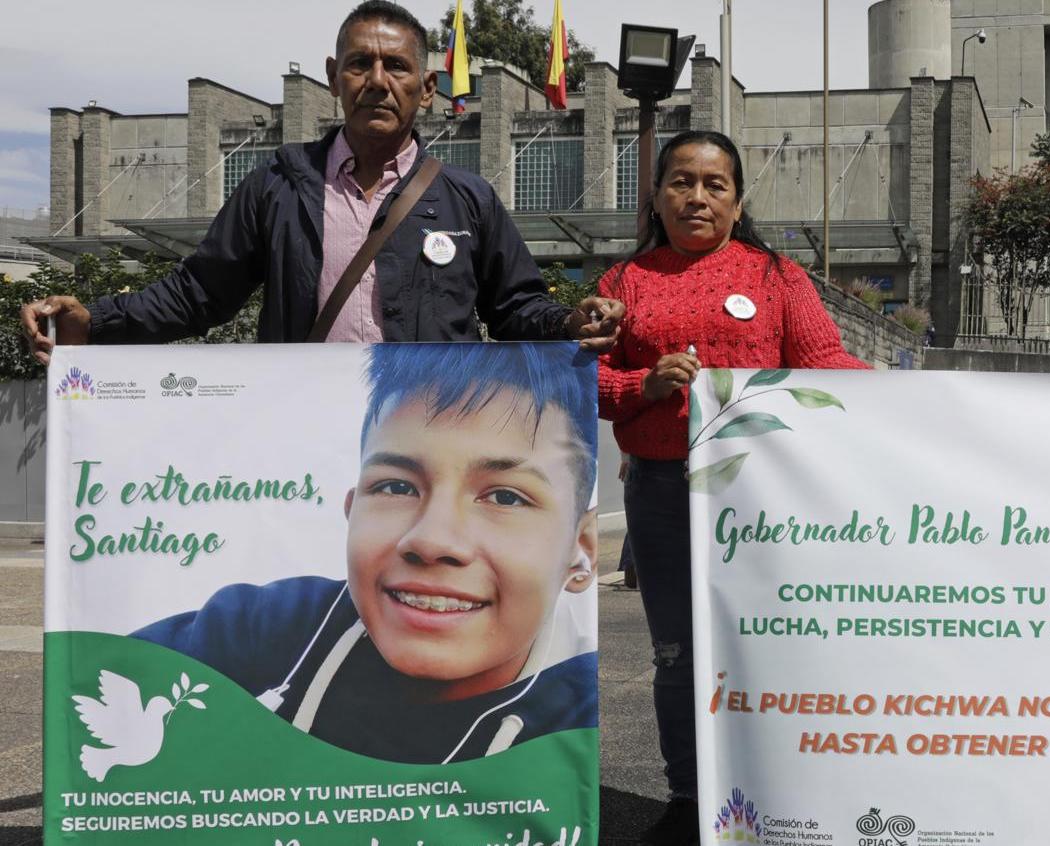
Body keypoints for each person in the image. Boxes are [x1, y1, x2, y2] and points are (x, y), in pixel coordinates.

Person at [18, 0, 622, 358]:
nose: (377, 80)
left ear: (428, 89)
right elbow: (196, 295)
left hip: (429, 438)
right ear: (335, 77)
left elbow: (517, 307)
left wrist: (570, 322)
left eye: (397, 66)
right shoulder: (276, 186)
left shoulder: (469, 200)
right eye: (360, 63)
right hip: (303, 440)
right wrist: (94, 322)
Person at [135, 343, 601, 765]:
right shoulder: (258, 632)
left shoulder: (576, 712)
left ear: (581, 550)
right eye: (397, 486)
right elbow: (82, 699)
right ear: (352, 510)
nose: (432, 540)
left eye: (505, 497)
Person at [596, 129, 869, 845]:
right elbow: (583, 375)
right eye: (680, 181)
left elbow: (823, 360)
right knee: (675, 654)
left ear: (737, 198)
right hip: (660, 493)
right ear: (655, 197)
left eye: (714, 184)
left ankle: (777, 791)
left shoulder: (776, 275)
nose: (696, 196)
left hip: (762, 501)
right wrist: (639, 383)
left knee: (768, 644)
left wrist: (909, 400)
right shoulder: (623, 283)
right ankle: (688, 798)